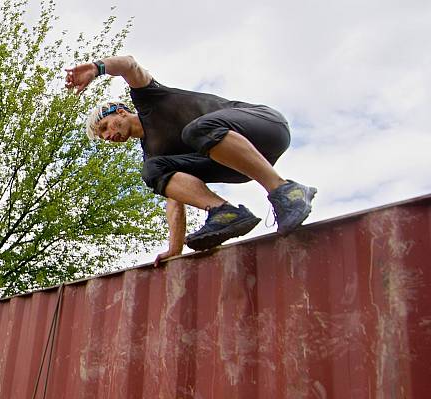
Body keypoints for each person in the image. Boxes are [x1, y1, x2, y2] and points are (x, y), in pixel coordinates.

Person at [65, 55, 316, 265]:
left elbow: (129, 65)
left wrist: (97, 69)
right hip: (239, 166)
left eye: (107, 127)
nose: (109, 136)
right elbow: (176, 199)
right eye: (104, 136)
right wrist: (175, 249)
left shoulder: (150, 99)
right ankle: (225, 213)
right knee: (152, 171)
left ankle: (286, 190)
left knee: (195, 130)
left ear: (120, 112)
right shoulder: (155, 152)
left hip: (266, 126)